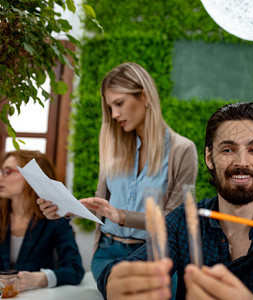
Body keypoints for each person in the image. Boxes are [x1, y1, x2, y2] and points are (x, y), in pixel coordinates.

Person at [97, 102, 253, 299]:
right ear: (209, 158)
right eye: (228, 150)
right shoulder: (183, 221)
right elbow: (136, 266)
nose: (242, 162)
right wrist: (113, 280)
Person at [38, 62, 198, 281]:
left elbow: (175, 222)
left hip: (154, 257)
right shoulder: (113, 148)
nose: (114, 114)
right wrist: (66, 209)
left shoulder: (182, 150)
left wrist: (122, 216)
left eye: (119, 103)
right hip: (108, 254)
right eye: (110, 107)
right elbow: (100, 206)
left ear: (145, 96)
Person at [0, 150, 84, 291]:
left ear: (33, 178)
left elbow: (75, 270)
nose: (1, 177)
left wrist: (40, 278)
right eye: (1, 170)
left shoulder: (56, 220)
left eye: (8, 171)